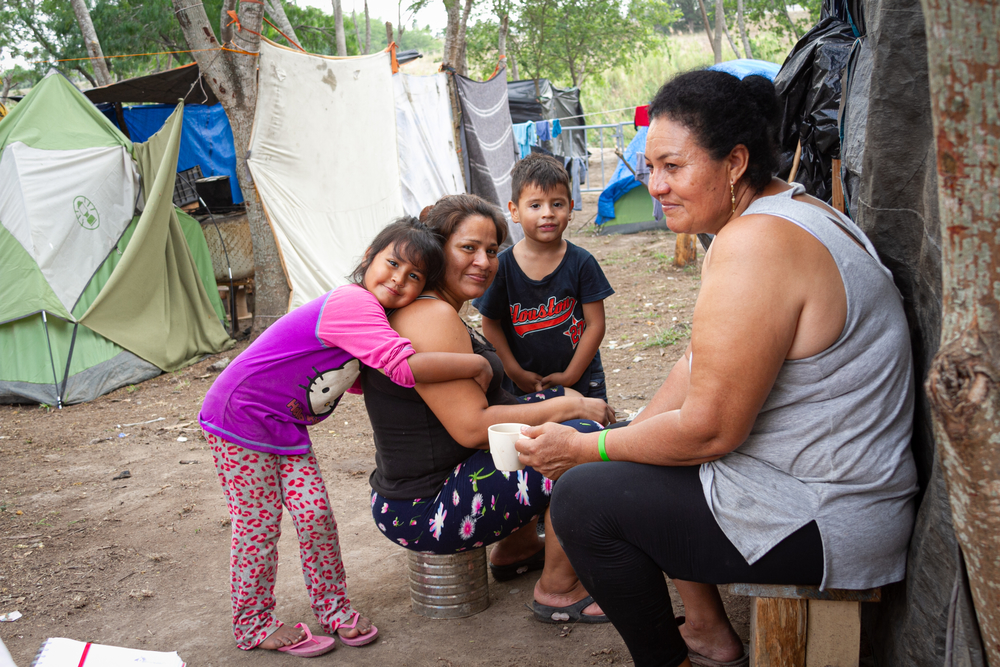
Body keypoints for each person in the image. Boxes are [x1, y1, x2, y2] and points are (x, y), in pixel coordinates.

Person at [516, 70, 919, 667]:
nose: (654, 185)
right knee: (621, 464)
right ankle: (706, 632)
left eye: (672, 167)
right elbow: (695, 362)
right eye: (650, 168)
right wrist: (617, 444)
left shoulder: (757, 244)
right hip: (828, 493)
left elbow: (710, 430)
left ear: (734, 162)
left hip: (828, 515)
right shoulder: (785, 210)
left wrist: (586, 452)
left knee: (582, 501)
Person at [199, 218, 497, 656]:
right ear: (366, 261)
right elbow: (401, 368)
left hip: (284, 425)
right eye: (391, 264)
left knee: (316, 513)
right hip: (239, 417)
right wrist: (473, 364)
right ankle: (253, 624)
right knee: (258, 524)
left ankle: (333, 609)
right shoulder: (351, 302)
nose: (398, 279)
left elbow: (366, 377)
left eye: (414, 276)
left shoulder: (374, 319)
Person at [361, 194, 617, 623]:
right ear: (435, 248)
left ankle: (518, 549)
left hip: (429, 488)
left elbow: (502, 409)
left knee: (549, 413)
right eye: (468, 248)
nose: (483, 261)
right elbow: (473, 429)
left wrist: (561, 404)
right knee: (582, 441)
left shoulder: (437, 309)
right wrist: (566, 406)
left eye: (492, 251)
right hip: (425, 508)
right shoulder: (430, 318)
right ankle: (558, 590)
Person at [473, 154, 614, 401]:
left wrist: (570, 375)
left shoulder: (582, 263)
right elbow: (490, 324)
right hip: (521, 384)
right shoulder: (502, 267)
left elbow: (595, 325)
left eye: (557, 204)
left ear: (570, 209)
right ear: (515, 211)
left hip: (582, 379)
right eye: (535, 205)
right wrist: (514, 372)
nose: (547, 213)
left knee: (587, 434)